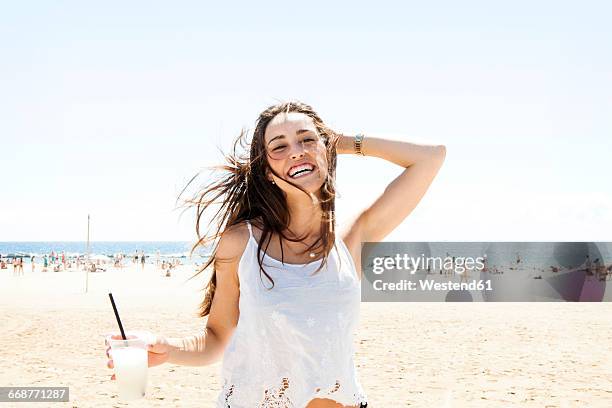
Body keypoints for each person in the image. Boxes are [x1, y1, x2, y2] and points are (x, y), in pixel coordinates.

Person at [105, 101, 446, 407]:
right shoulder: (241, 243)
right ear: (268, 171)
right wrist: (166, 347)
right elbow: (218, 336)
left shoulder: (350, 241)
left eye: (306, 140)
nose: (296, 151)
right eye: (279, 147)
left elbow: (431, 157)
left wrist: (340, 142)